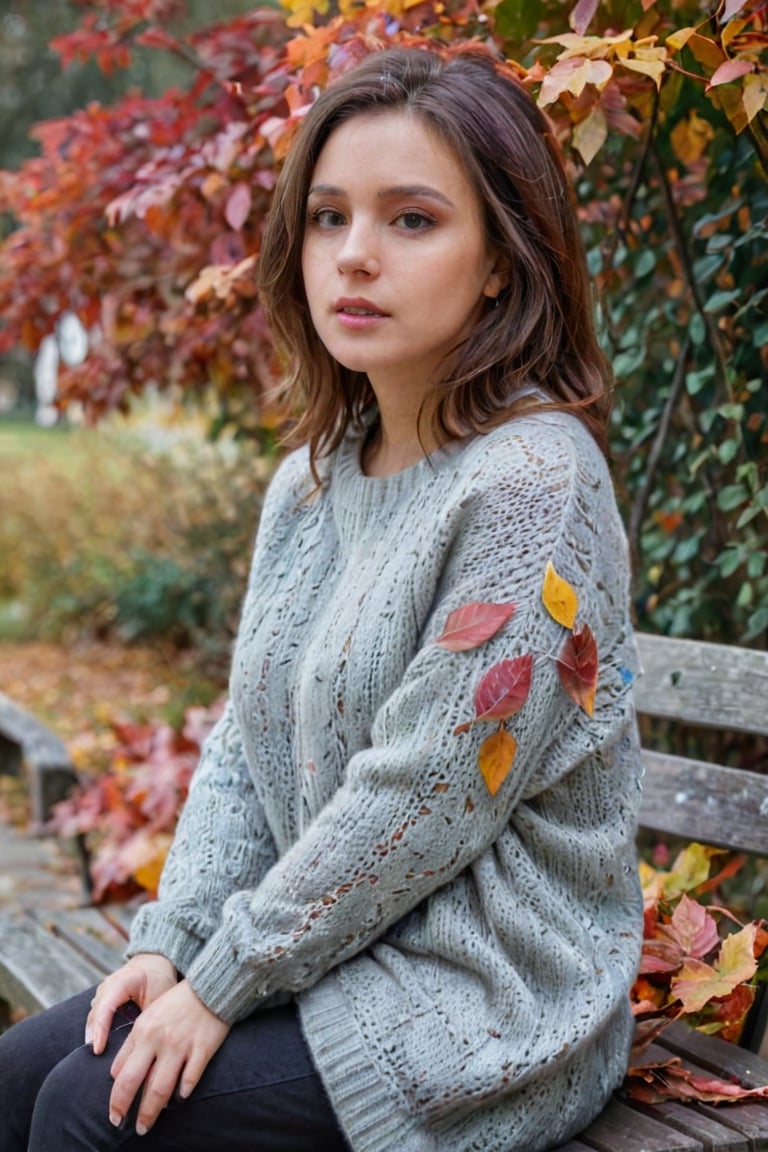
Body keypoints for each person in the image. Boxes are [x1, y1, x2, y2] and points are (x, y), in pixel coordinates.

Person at [0, 43, 644, 1152]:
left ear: (501, 260)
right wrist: (174, 942)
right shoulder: (311, 485)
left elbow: (429, 793)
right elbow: (245, 754)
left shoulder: (534, 481)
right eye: (328, 217)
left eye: (411, 220)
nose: (354, 256)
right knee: (16, 1076)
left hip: (487, 998)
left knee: (92, 1113)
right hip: (334, 948)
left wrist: (226, 979)